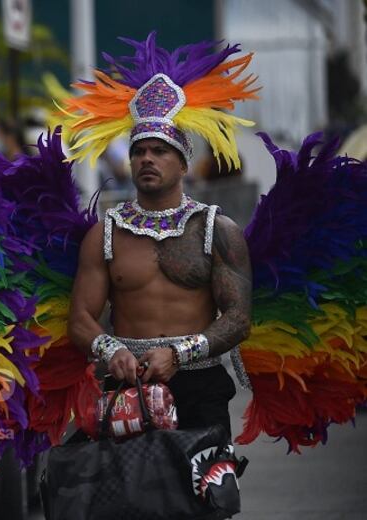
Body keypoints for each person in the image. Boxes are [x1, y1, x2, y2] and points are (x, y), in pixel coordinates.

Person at [64, 32, 258, 437]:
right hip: (126, 385)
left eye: (160, 150)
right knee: (131, 498)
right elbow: (81, 319)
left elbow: (238, 318)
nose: (147, 158)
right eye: (138, 151)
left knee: (202, 496)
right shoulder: (105, 233)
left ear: (183, 161)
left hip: (200, 388)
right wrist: (110, 348)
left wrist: (179, 354)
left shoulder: (216, 230)